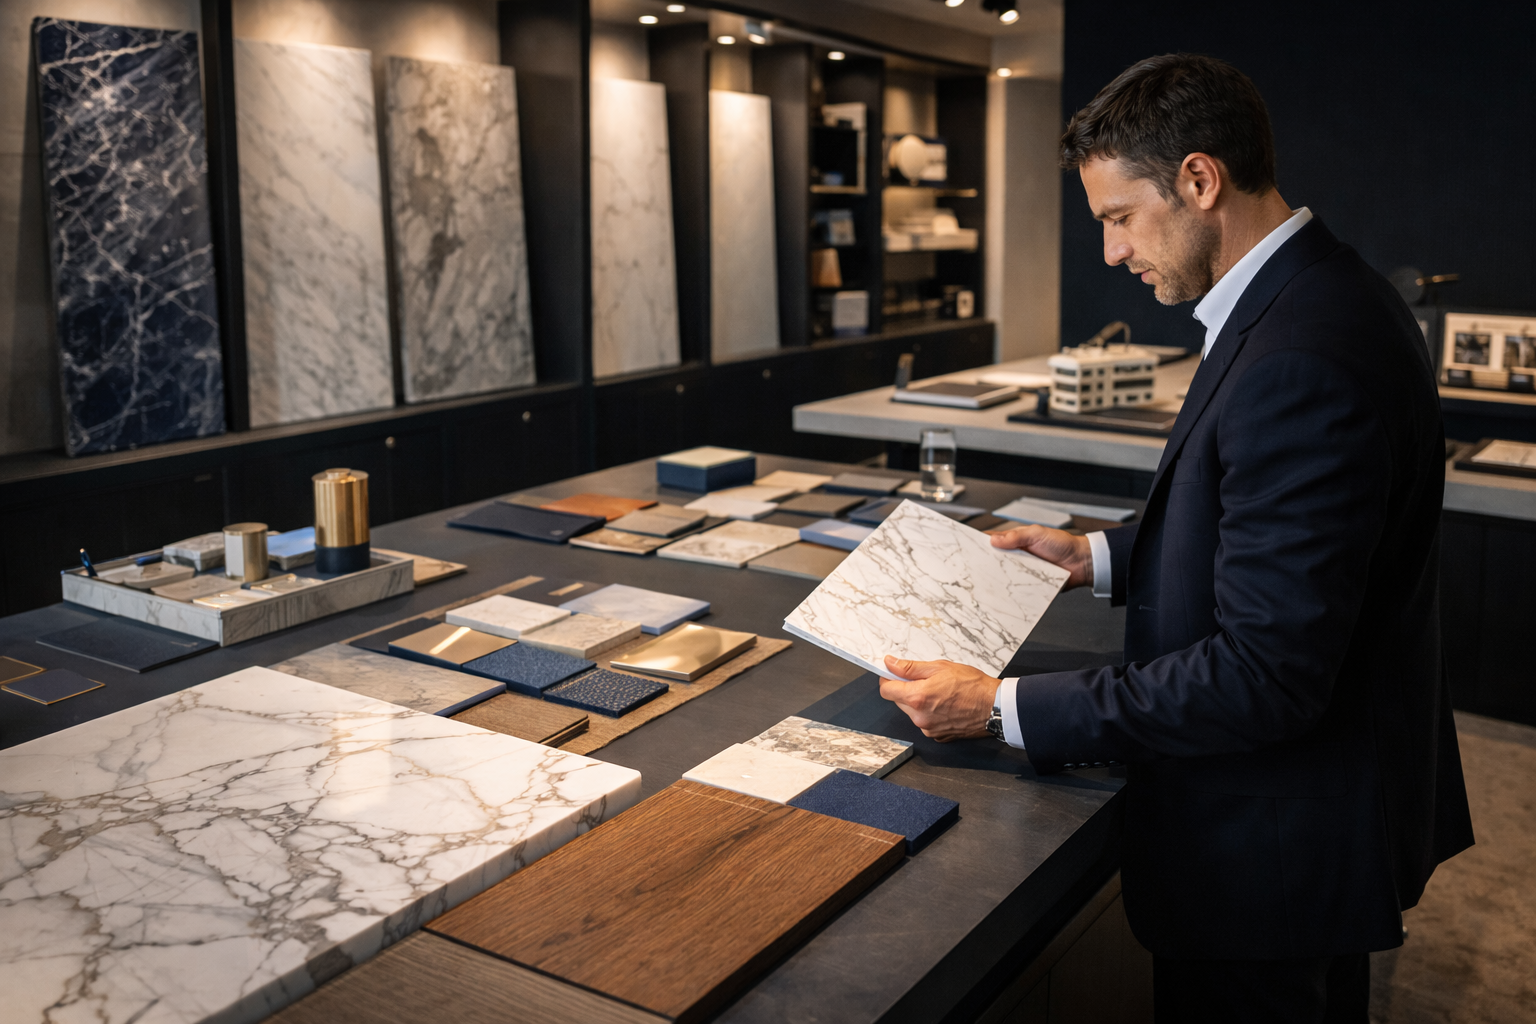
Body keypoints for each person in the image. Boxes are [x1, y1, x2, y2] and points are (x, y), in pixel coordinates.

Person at [878, 53, 1474, 1023]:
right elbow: (1264, 522)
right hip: (1314, 828)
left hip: (1271, 854)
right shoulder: (1315, 296)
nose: (1111, 254)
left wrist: (1001, 706)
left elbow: (1262, 674)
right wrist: (1098, 556)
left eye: (1118, 218)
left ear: (1200, 181)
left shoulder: (1302, 356)